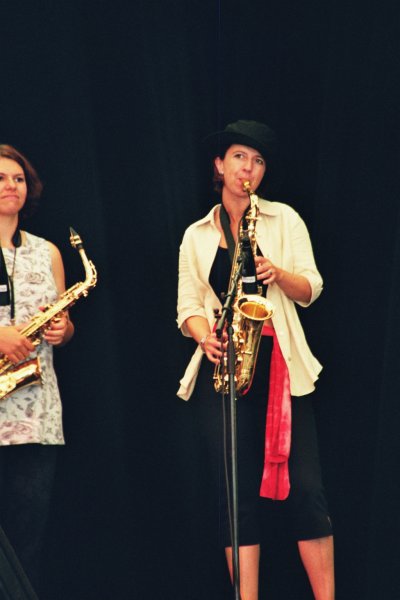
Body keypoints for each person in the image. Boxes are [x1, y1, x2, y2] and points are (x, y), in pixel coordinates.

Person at [177, 120, 334, 600]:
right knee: (235, 496)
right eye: (240, 157)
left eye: (258, 160)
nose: (249, 168)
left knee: (306, 490)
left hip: (281, 364)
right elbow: (187, 307)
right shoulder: (196, 234)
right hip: (225, 368)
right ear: (219, 165)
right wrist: (205, 337)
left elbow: (311, 288)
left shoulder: (283, 219)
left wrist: (278, 274)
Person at [0, 144, 74, 593]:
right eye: (0, 178)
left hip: (36, 416)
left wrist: (64, 330)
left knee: (28, 539)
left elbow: (65, 324)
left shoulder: (48, 252)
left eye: (18, 178)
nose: (11, 186)